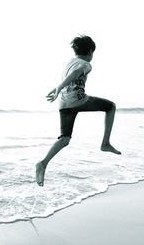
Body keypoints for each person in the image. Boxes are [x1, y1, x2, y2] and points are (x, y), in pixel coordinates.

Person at [36, 35, 121, 186]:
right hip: (78, 100)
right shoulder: (86, 64)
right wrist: (59, 87)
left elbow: (69, 75)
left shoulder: (69, 62)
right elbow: (76, 74)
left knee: (65, 139)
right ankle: (105, 143)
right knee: (111, 106)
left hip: (63, 104)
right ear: (90, 51)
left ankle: (43, 163)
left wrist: (58, 88)